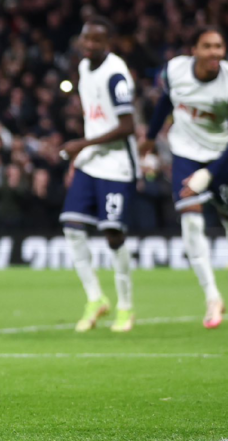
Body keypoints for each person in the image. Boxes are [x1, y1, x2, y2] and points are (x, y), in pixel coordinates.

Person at [140, 27, 228, 329]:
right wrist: (150, 137)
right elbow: (166, 100)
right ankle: (212, 297)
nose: (215, 52)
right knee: (190, 222)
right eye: (207, 46)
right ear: (194, 49)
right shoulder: (174, 71)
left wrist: (211, 172)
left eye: (219, 46)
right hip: (185, 153)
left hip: (221, 156)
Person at [59, 17, 138, 333]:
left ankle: (126, 306)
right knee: (72, 225)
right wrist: (82, 154)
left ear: (109, 43)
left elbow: (128, 126)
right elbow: (95, 119)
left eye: (97, 41)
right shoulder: (82, 68)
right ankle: (95, 298)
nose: (89, 45)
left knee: (113, 234)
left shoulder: (116, 75)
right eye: (86, 39)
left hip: (118, 165)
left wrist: (82, 144)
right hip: (92, 161)